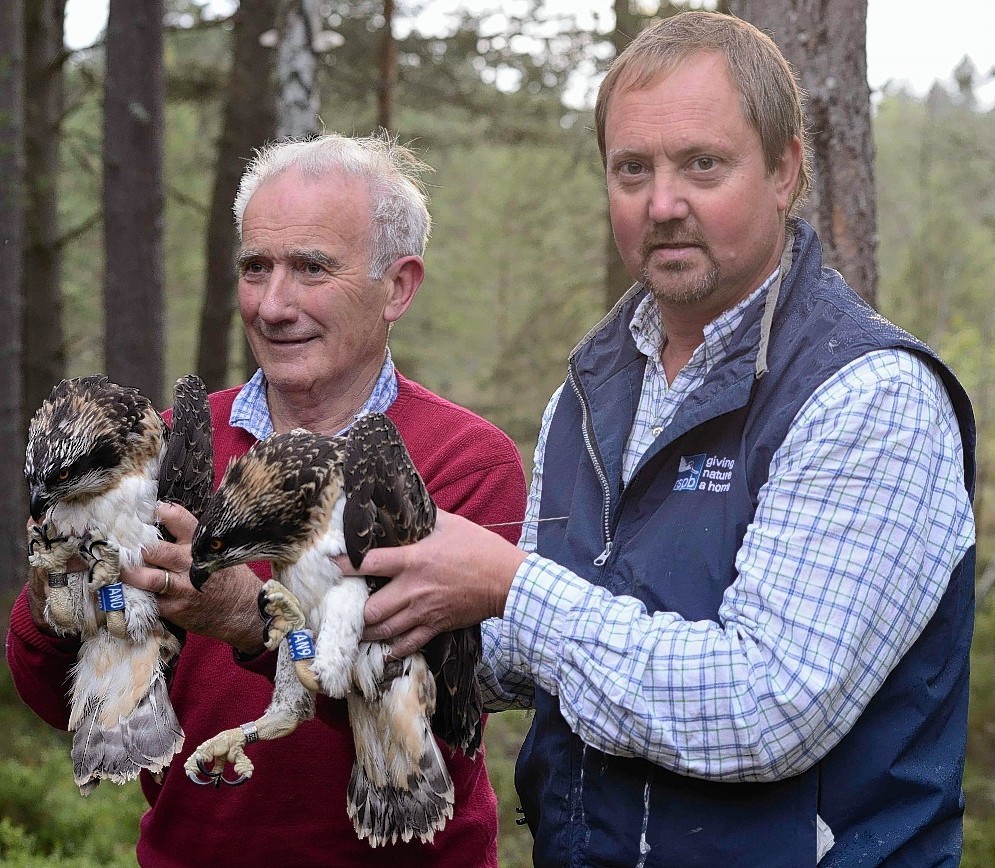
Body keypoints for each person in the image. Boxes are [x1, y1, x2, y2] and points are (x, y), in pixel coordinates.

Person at [343, 12, 977, 867]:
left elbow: (765, 710)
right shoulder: (587, 396)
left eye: (701, 165)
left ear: (785, 170)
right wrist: (306, 614)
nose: (663, 204)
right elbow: (528, 664)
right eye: (631, 169)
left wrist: (507, 587)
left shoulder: (867, 394)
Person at [7, 133, 527, 867]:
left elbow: (442, 714)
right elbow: (50, 697)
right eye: (256, 267)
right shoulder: (166, 443)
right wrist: (55, 585)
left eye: (311, 268)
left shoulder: (462, 460)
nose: (273, 304)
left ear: (398, 286)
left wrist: (245, 618)